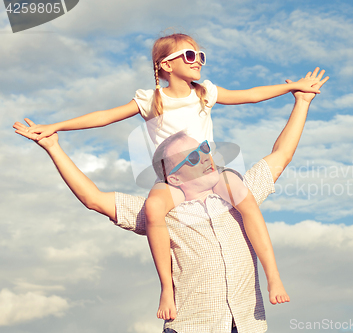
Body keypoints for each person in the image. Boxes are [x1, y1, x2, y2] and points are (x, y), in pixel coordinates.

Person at [22, 33, 323, 319]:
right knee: (154, 209)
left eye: (200, 55)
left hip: (210, 171)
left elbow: (252, 96)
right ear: (166, 65)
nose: (198, 61)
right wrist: (57, 127)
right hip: (172, 179)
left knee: (246, 202)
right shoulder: (151, 100)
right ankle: (167, 289)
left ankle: (273, 275)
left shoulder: (205, 92)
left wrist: (293, 88)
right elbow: (104, 116)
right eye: (190, 55)